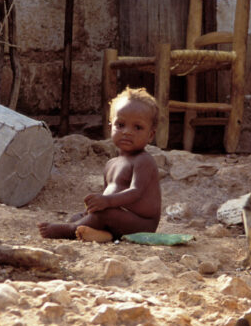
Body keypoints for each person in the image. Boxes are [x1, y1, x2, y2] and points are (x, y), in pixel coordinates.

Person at [38, 86, 161, 242]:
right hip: (119, 219)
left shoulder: (144, 160)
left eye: (137, 127)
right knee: (81, 216)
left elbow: (135, 192)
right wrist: (95, 207)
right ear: (110, 127)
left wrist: (107, 202)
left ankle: (68, 230)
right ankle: (103, 235)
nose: (127, 132)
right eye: (120, 125)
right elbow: (107, 194)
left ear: (150, 135)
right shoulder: (111, 164)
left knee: (104, 214)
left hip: (142, 224)